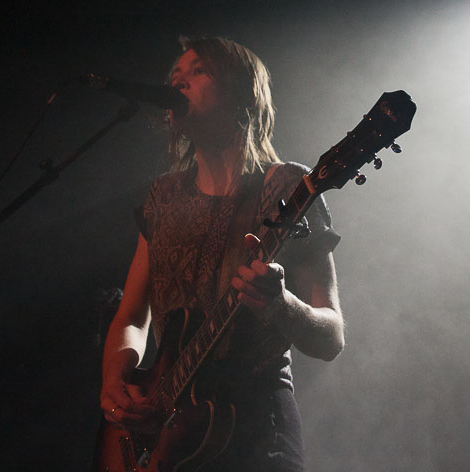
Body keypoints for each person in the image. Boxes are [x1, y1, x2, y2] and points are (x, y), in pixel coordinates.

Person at [99, 36, 344, 471]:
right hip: (168, 433)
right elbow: (133, 316)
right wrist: (115, 384)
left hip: (255, 428)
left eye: (198, 71)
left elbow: (331, 336)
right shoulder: (163, 197)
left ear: (240, 92)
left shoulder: (288, 187)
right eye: (175, 75)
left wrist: (281, 304)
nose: (179, 82)